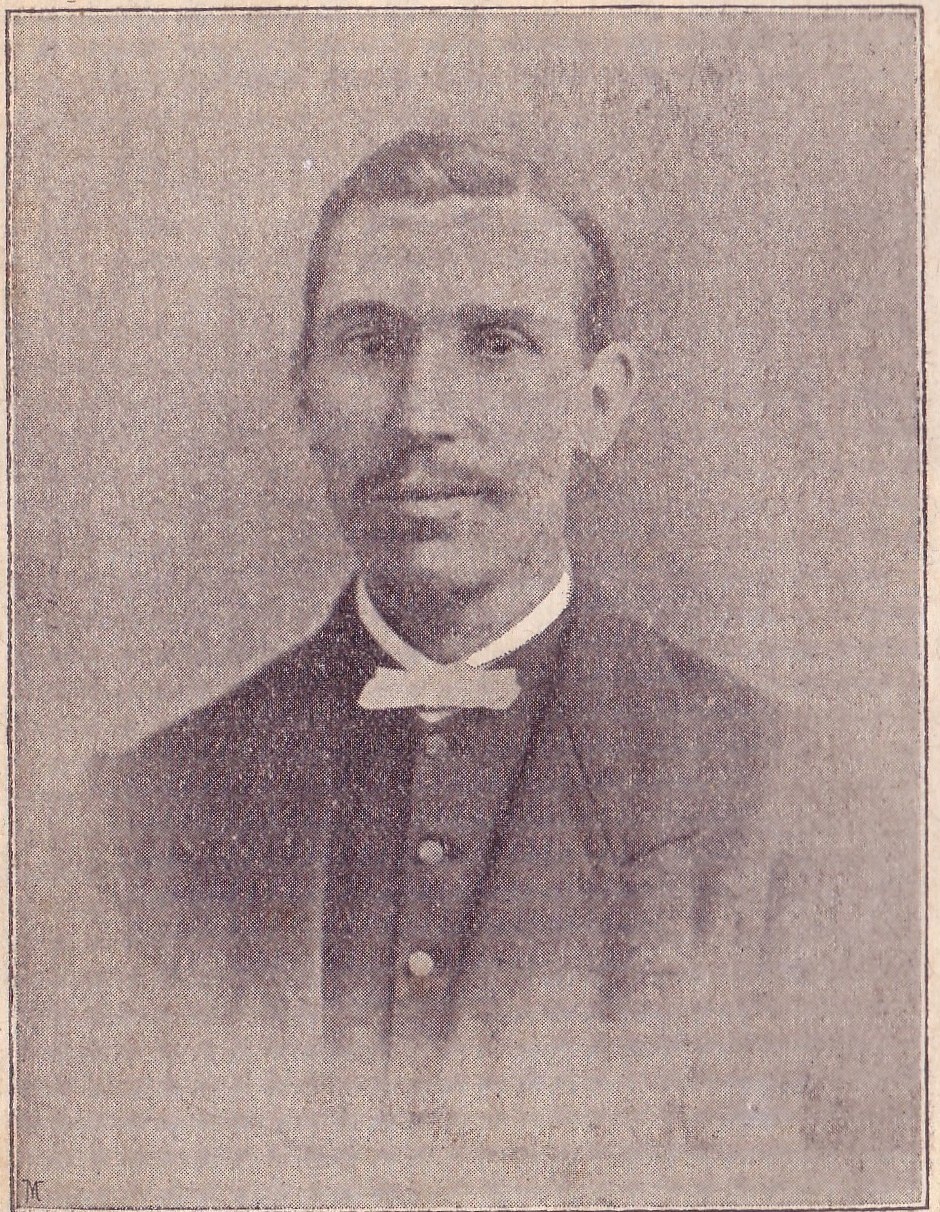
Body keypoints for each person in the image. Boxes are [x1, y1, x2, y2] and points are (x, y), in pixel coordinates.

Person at [99, 130, 813, 1160]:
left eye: (496, 344)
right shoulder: (136, 815)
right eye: (369, 344)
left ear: (599, 401)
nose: (420, 416)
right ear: (303, 396)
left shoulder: (786, 800)